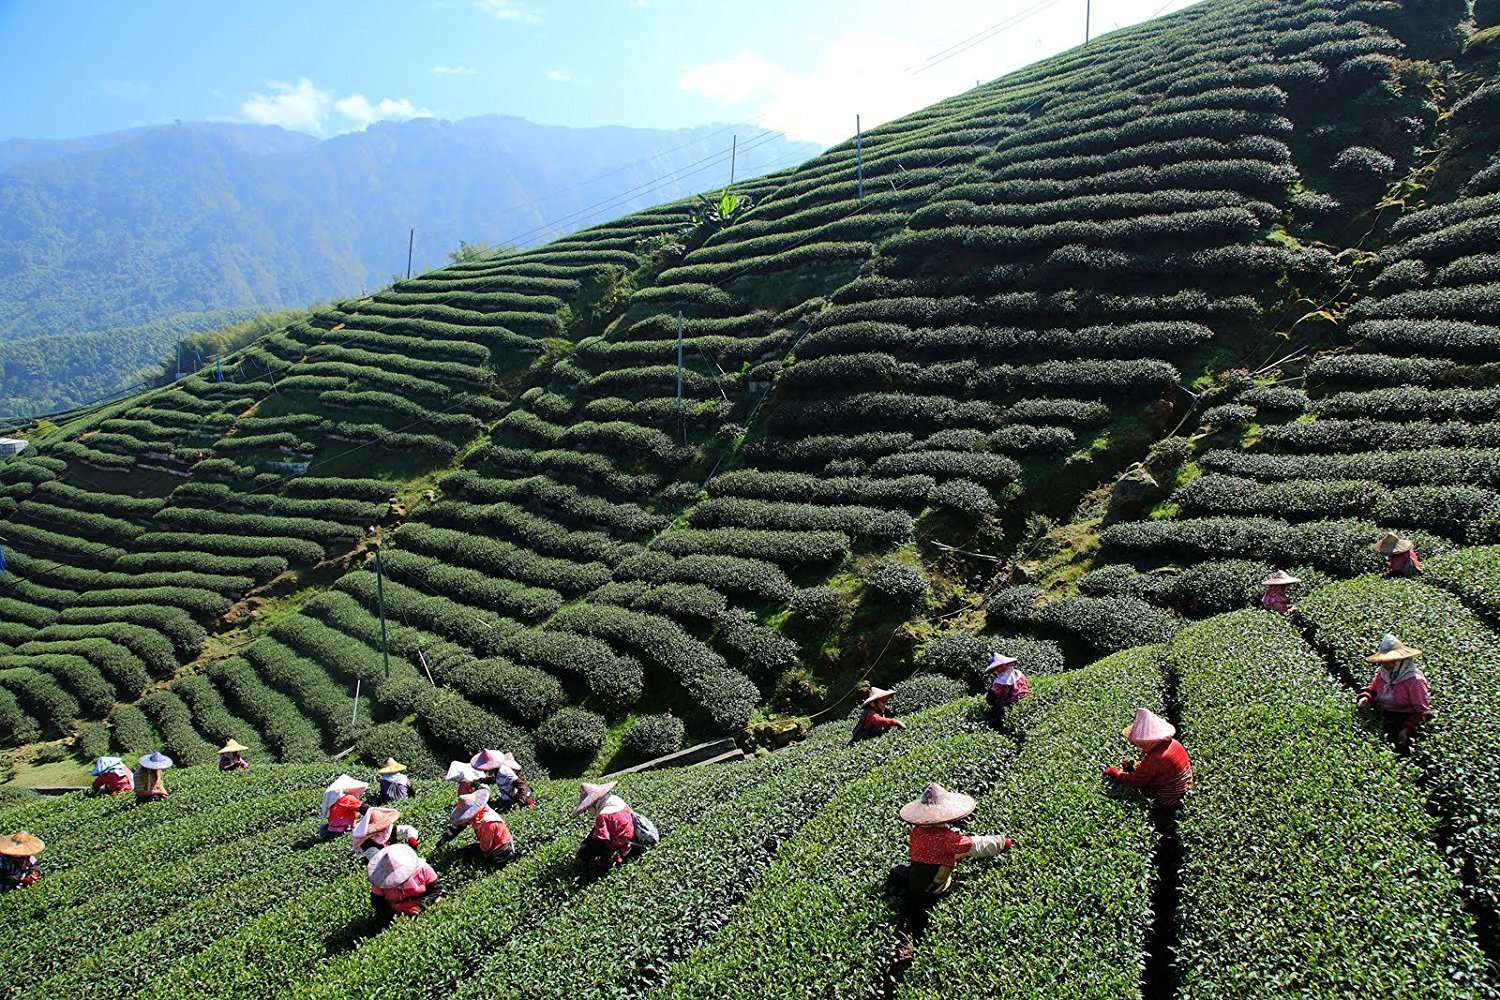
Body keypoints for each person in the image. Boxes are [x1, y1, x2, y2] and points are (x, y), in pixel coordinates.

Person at [894, 783, 1012, 964]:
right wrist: (1001, 843)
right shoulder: (949, 838)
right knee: (956, 857)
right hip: (935, 885)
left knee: (903, 876)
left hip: (915, 881)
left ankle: (909, 926)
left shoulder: (916, 832)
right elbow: (974, 845)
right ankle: (917, 930)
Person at [1103, 709, 1194, 806]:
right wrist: (1132, 768)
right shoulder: (1174, 743)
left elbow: (1136, 782)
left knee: (1126, 797)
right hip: (1185, 785)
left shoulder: (1155, 759)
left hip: (1168, 795)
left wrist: (1116, 773)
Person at [1357, 633, 1431, 752]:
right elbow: (1374, 689)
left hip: (1403, 721)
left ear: (1401, 662)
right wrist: (1365, 699)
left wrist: (1407, 729)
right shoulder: (1384, 673)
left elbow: (1423, 712)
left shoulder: (1414, 681)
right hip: (1384, 716)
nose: (1386, 665)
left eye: (1391, 661)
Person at [574, 781, 649, 873]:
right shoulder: (616, 800)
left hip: (621, 845)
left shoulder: (603, 815)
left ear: (594, 804)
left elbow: (600, 841)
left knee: (594, 855)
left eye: (589, 808)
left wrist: (584, 855)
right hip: (632, 837)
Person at [440, 787, 517, 867]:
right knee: (465, 851)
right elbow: (461, 825)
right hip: (490, 844)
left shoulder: (488, 822)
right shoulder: (477, 813)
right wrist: (447, 836)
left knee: (486, 864)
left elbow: (486, 847)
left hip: (502, 849)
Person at [367, 843, 442, 921]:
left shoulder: (422, 868)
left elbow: (436, 889)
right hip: (397, 911)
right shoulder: (380, 879)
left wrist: (421, 906)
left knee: (437, 900)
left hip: (423, 902)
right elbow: (377, 902)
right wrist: (392, 916)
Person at [352, 807, 420, 863]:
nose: (383, 829)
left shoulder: (389, 828)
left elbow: (407, 829)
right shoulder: (366, 843)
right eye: (379, 828)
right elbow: (377, 859)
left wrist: (412, 838)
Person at [983, 653, 1030, 724]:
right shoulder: (1019, 673)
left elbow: (990, 699)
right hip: (1026, 702)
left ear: (1003, 666)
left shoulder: (1000, 682)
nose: (996, 670)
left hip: (1010, 707)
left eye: (997, 668)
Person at [319, 775, 369, 839]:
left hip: (332, 831)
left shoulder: (333, 800)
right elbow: (364, 809)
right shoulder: (348, 798)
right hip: (345, 830)